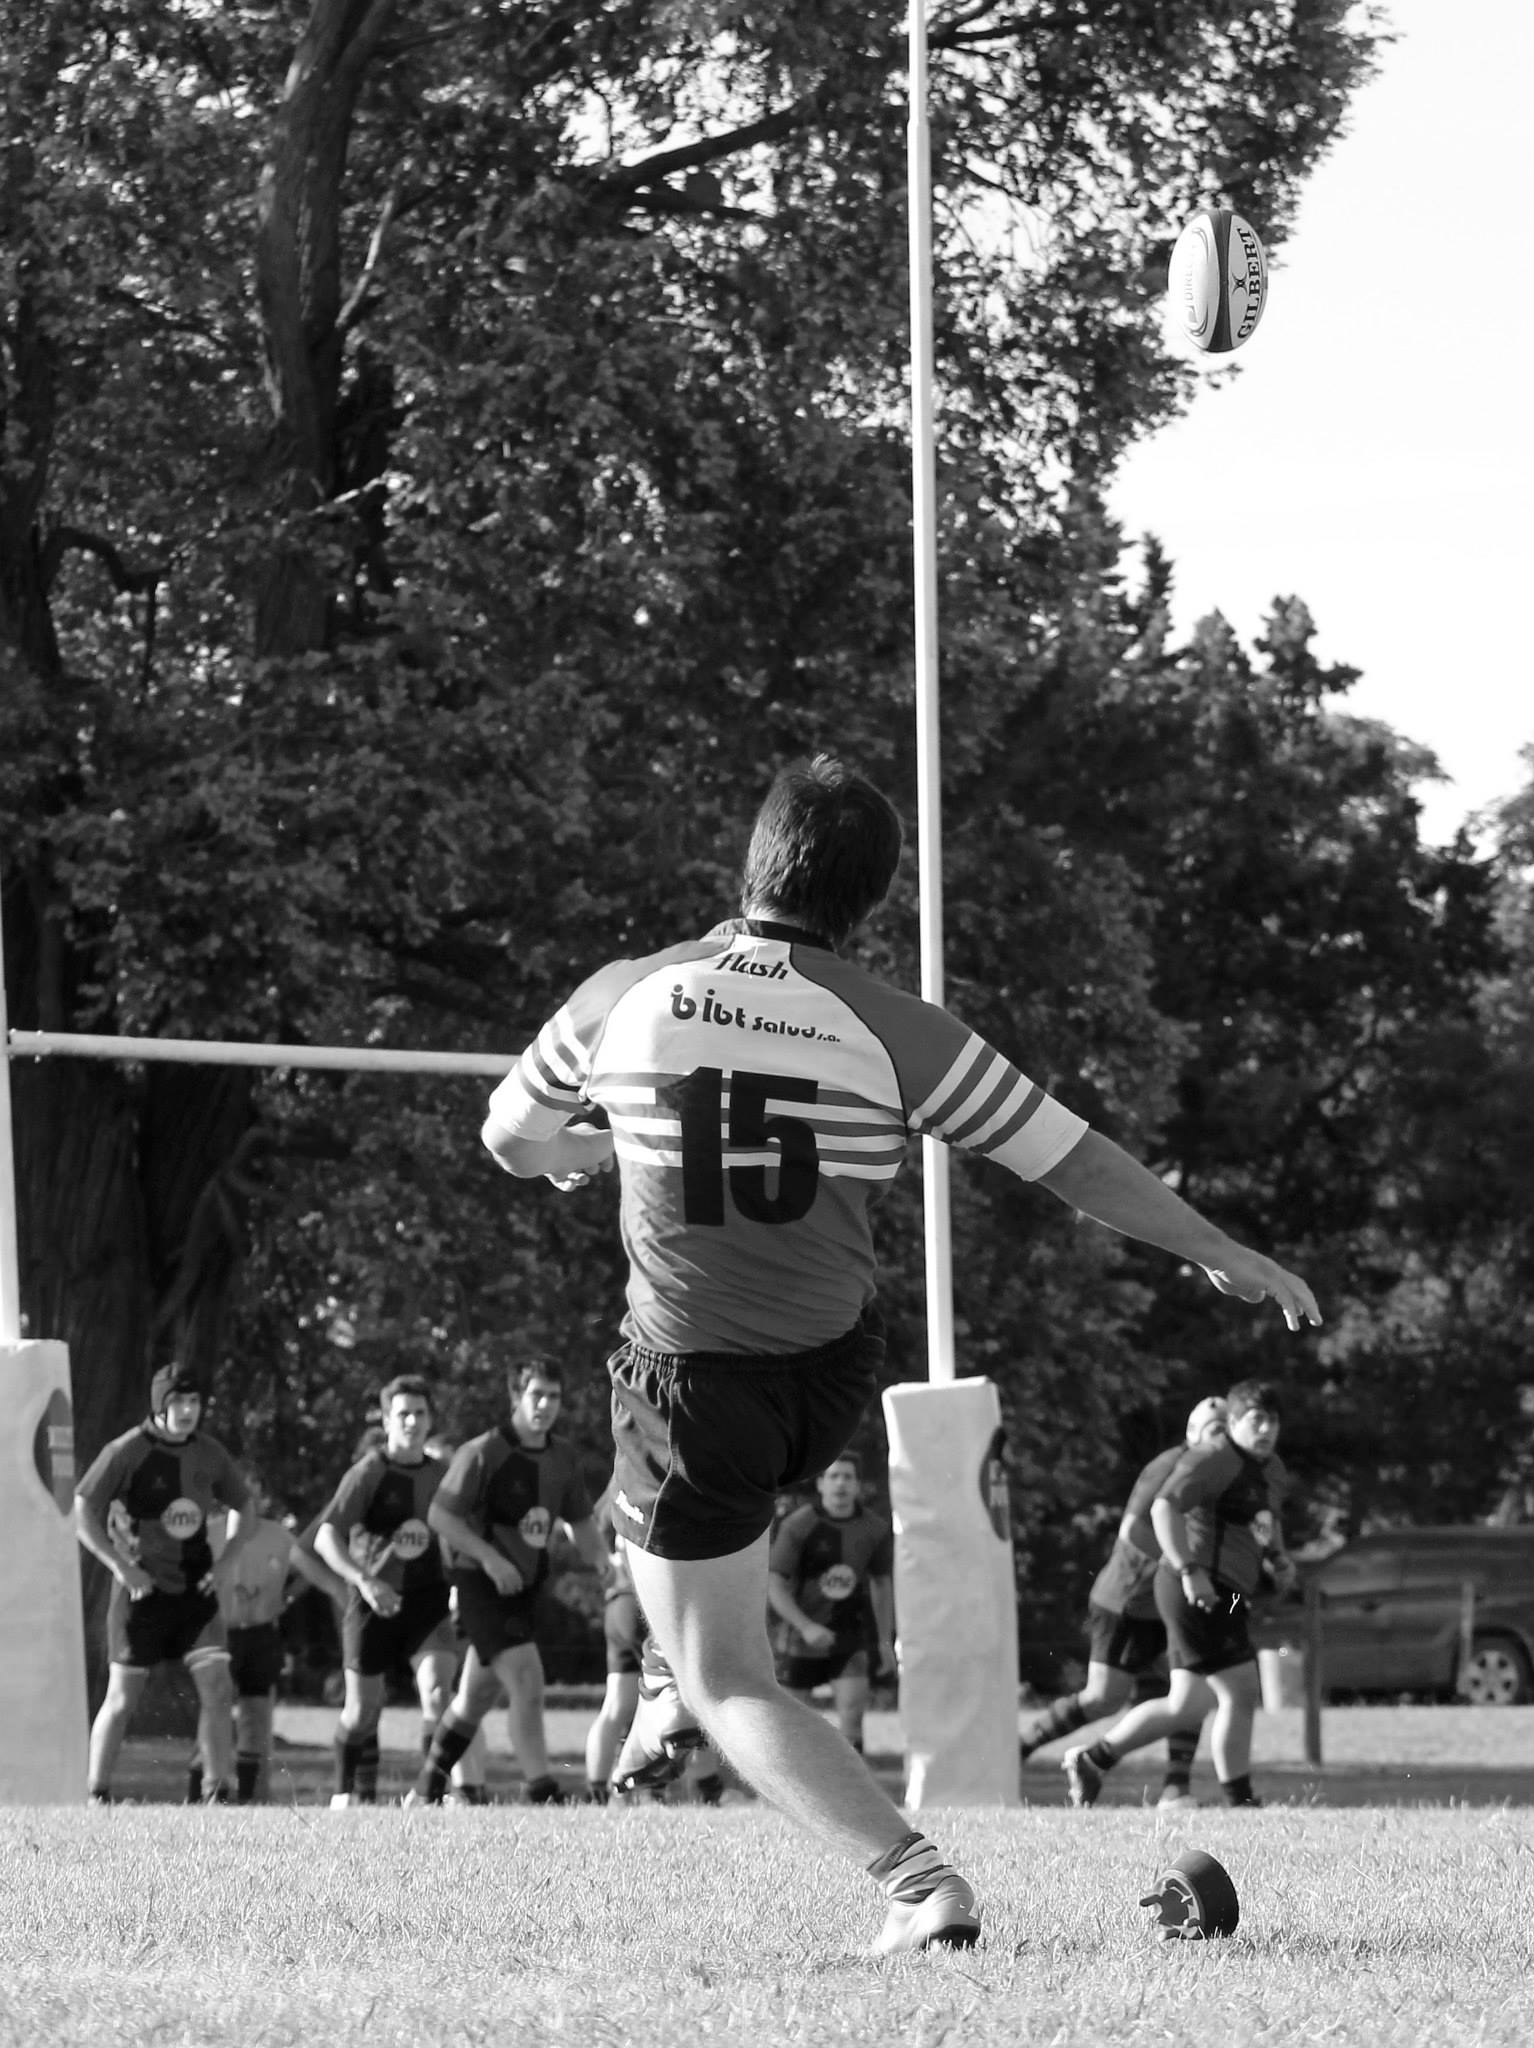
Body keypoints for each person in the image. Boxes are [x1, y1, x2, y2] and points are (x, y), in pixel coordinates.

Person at [479, 754, 1319, 1953]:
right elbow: (1071, 1159)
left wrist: (585, 1150)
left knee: (728, 1674)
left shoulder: (624, 992)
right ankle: (678, 1671)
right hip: (828, 1376)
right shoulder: (895, 1025)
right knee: (698, 1583)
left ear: (752, 860)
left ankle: (917, 1879)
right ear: (868, 901)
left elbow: (506, 1136)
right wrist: (1214, 1248)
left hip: (692, 1383)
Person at [1062, 1378, 1295, 1810]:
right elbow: (1162, 1508)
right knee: (1240, 1689)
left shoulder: (1272, 1469)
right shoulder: (1213, 1460)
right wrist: (1189, 1571)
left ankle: (1094, 1760)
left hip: (1226, 1592)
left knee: (1188, 1704)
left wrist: (1278, 1559)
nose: (1265, 1430)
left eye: (1273, 1421)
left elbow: (1266, 1519)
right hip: (1197, 1587)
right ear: (1233, 1423)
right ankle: (1240, 1800)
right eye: (1255, 1420)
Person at [410, 1359, 611, 1805]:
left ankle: (424, 1791)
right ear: (515, 1397)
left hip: (523, 1588)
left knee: (475, 1697)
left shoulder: (562, 1457)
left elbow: (581, 1524)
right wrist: (490, 1559)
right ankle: (543, 1790)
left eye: (553, 1396)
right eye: (536, 1394)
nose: (545, 1405)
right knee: (527, 1678)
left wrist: (606, 1566)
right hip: (479, 1583)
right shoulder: (482, 1452)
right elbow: (440, 1516)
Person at [1018, 1396, 1230, 1806]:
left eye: (1227, 1429)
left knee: (1190, 1686)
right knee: (1105, 1697)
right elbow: (1134, 1530)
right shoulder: (1170, 1466)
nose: (1221, 1439)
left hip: (1174, 1601)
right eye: (1213, 1430)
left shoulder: (1230, 1476)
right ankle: (1020, 1749)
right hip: (1128, 1599)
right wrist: (1185, 1565)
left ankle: (1176, 1788)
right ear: (1192, 1435)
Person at [74, 1365, 253, 1804]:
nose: (188, 1411)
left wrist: (228, 1561)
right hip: (142, 1593)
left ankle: (217, 1792)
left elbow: (245, 1505)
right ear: (160, 1405)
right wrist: (120, 1566)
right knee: (123, 1697)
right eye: (178, 1402)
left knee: (217, 1685)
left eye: (194, 1403)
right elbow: (81, 1509)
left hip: (197, 1591)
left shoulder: (210, 1453)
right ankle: (95, 1794)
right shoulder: (127, 1451)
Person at [314, 1375, 458, 1806]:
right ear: (387, 1418)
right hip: (372, 1602)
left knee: (437, 1692)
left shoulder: (442, 1476)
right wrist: (366, 1581)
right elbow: (325, 1538)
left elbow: (461, 1531)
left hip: (427, 1601)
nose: (412, 1422)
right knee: (362, 1712)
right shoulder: (369, 1472)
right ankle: (344, 1796)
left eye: (420, 1413)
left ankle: (430, 1795)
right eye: (403, 1414)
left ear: (431, 1419)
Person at [189, 1473, 345, 1804]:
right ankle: (202, 1790)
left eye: (254, 1492)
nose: (247, 1499)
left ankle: (248, 1796)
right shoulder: (210, 1534)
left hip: (261, 1635)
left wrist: (296, 1597)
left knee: (256, 1715)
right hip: (219, 1635)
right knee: (214, 1709)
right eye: (240, 1492)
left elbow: (308, 1570)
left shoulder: (278, 1536)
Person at [586, 1527, 725, 1806]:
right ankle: (702, 1788)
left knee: (616, 1705)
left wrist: (608, 1568)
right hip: (645, 1602)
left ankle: (597, 1792)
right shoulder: (654, 1486)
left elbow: (591, 1533)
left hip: (617, 1605)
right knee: (690, 1695)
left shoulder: (611, 1495)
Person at [768, 1454, 894, 1754]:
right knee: (792, 1724)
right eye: (834, 1476)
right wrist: (805, 1625)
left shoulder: (873, 1528)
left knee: (852, 1715)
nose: (841, 1483)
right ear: (821, 1484)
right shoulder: (798, 1525)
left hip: (849, 1638)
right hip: (797, 1639)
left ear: (858, 1486)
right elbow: (774, 1584)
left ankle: (853, 1793)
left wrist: (885, 1641)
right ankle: (790, 1792)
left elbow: (881, 1584)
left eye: (848, 1477)